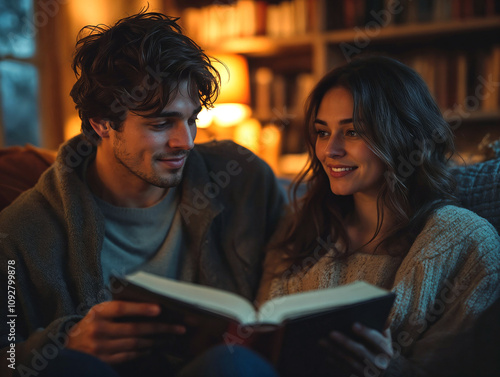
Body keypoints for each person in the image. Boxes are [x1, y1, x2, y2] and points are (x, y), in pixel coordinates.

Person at [0, 11, 284, 377]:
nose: (185, 142)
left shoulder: (243, 181)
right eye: (161, 123)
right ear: (101, 122)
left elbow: (298, 276)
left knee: (233, 364)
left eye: (191, 119)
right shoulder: (21, 232)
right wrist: (58, 346)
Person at [257, 56, 500, 376]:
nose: (331, 150)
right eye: (322, 132)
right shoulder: (303, 224)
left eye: (353, 131)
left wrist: (390, 370)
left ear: (407, 135)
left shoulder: (467, 243)